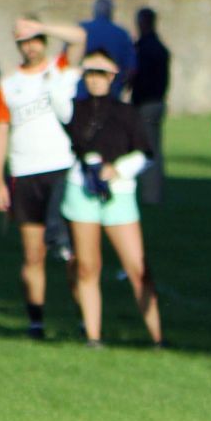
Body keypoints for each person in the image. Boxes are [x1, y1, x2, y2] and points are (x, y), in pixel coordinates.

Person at [55, 49, 162, 348]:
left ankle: (158, 338)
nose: (95, 79)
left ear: (113, 77)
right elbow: (56, 96)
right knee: (88, 266)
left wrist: (118, 169)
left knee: (137, 268)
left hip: (119, 195)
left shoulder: (127, 112)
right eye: (89, 73)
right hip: (82, 192)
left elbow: (146, 154)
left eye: (101, 73)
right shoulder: (74, 109)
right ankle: (93, 335)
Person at [0, 17, 86, 339]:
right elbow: (1, 130)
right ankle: (36, 321)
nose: (30, 46)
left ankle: (85, 317)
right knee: (33, 254)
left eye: (35, 40)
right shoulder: (8, 84)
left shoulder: (60, 68)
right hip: (24, 173)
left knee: (70, 252)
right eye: (24, 41)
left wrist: (42, 25)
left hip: (61, 169)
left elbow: (78, 37)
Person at [130, 7, 170, 205]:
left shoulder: (144, 48)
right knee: (154, 150)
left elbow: (136, 76)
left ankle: (151, 196)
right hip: (157, 102)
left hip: (146, 103)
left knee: (148, 151)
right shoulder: (158, 47)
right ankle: (154, 194)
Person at [79, 0, 136, 98]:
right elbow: (131, 69)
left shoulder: (81, 30)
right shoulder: (122, 34)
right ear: (111, 11)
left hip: (82, 93)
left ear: (94, 10)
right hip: (111, 94)